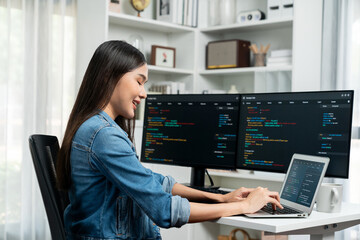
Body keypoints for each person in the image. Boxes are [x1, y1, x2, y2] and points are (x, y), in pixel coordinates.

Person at [56, 40, 283, 240]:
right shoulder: (103, 134)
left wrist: (220, 199)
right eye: (139, 81)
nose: (144, 93)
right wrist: (244, 205)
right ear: (109, 77)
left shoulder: (95, 128)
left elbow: (154, 181)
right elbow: (163, 210)